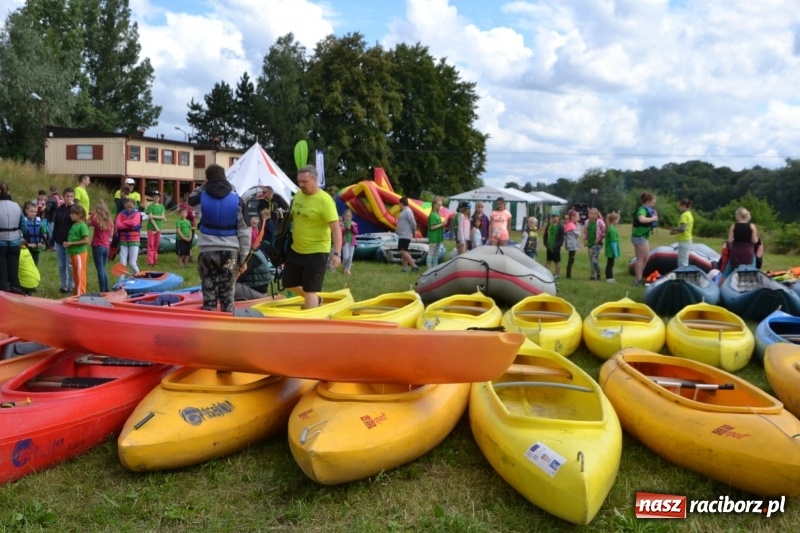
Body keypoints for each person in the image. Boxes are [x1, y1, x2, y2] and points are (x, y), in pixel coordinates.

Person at [189, 164, 251, 312]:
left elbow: (190, 200)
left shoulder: (201, 197)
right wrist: (243, 258)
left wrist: (203, 186)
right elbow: (245, 231)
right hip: (230, 253)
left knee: (209, 292)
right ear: (225, 178)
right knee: (228, 293)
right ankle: (228, 325)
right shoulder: (237, 200)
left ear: (207, 180)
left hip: (207, 251)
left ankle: (209, 325)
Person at [719, 207, 758, 285]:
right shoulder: (752, 226)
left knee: (727, 272)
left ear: (738, 215)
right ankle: (751, 289)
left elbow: (729, 240)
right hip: (748, 252)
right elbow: (754, 241)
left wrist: (731, 246)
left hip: (736, 251)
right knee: (751, 271)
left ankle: (719, 288)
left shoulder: (734, 226)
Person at [0, 182, 25, 293]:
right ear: (8, 191)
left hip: (1, 242)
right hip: (15, 241)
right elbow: (23, 226)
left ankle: (3, 293)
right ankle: (16, 292)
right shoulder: (16, 206)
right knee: (14, 271)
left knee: (2, 272)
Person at [52, 188, 76, 293]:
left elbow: (77, 221)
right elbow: (56, 225)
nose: (69, 198)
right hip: (59, 240)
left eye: (71, 196)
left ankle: (71, 285)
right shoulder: (59, 209)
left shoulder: (75, 209)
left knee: (70, 265)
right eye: (67, 196)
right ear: (63, 197)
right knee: (61, 265)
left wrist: (72, 207)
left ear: (74, 197)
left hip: (70, 242)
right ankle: (63, 285)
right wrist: (52, 239)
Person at [632, 192, 658, 286]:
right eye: (652, 202)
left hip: (644, 237)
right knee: (641, 258)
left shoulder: (648, 210)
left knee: (646, 257)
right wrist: (653, 219)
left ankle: (640, 277)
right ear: (647, 201)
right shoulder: (642, 209)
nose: (653, 204)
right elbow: (641, 219)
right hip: (639, 236)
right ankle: (638, 280)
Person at [64, 204, 90, 296]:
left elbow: (86, 241)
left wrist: (71, 244)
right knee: (75, 275)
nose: (70, 215)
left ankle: (81, 295)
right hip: (73, 253)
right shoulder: (75, 225)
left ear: (79, 215)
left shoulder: (82, 226)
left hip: (79, 254)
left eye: (72, 214)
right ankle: (77, 293)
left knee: (80, 275)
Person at [89, 201, 114, 292]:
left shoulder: (96, 221)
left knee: (100, 270)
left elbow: (86, 222)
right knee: (103, 269)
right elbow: (111, 234)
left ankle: (102, 291)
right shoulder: (109, 222)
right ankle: (106, 289)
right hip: (106, 247)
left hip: (97, 246)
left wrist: (92, 215)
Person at [115, 198, 142, 281]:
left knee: (132, 263)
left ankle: (140, 278)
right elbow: (118, 225)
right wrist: (128, 223)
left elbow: (135, 223)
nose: (129, 209)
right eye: (127, 207)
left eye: (131, 207)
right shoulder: (121, 214)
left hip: (134, 240)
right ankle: (121, 282)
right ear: (125, 206)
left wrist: (124, 222)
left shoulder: (137, 213)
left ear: (134, 206)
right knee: (122, 263)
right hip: (123, 240)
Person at [22, 201, 48, 266]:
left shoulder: (39, 222)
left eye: (35, 212)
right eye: (31, 211)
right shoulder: (23, 222)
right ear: (26, 211)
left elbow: (44, 233)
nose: (33, 213)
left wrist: (41, 242)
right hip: (26, 248)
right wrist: (28, 244)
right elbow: (20, 236)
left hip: (36, 248)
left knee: (35, 265)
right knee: (27, 265)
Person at [584, 207, 606, 281]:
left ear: (597, 215)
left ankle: (598, 273)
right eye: (590, 214)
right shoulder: (587, 222)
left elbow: (604, 232)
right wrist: (585, 240)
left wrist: (599, 239)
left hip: (597, 244)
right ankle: (592, 275)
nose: (591, 215)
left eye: (593, 214)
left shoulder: (599, 222)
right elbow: (585, 232)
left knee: (594, 259)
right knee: (591, 259)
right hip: (590, 243)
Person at [396, 197, 418, 273]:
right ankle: (404, 268)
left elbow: (413, 223)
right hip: (402, 234)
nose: (398, 205)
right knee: (403, 251)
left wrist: (414, 232)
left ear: (401, 203)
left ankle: (414, 265)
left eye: (399, 203)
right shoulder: (404, 212)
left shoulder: (408, 211)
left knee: (402, 251)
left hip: (406, 234)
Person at [671, 199, 694, 267]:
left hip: (684, 240)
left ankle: (683, 276)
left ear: (684, 206)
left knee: (682, 261)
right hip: (687, 239)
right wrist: (676, 232)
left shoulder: (684, 215)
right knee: (684, 259)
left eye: (680, 206)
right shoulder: (690, 214)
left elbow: (682, 229)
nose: (679, 208)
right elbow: (686, 229)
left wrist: (674, 229)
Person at [145, 191, 166, 266]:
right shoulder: (150, 206)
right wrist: (156, 227)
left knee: (156, 245)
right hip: (151, 227)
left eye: (157, 197)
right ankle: (150, 261)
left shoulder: (161, 206)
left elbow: (163, 217)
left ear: (159, 198)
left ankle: (155, 260)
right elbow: (150, 218)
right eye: (154, 197)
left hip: (159, 227)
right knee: (151, 244)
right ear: (152, 198)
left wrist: (154, 216)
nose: (156, 198)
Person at [543, 211, 565, 279]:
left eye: (556, 216)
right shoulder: (549, 226)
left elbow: (561, 239)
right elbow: (545, 236)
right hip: (549, 247)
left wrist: (556, 246)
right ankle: (546, 274)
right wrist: (546, 244)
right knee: (548, 261)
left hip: (556, 248)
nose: (554, 218)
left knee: (557, 262)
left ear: (558, 217)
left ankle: (557, 274)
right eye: (553, 216)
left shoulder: (560, 227)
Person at [426, 196, 445, 269]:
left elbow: (438, 225)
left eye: (440, 205)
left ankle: (435, 268)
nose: (440, 207)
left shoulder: (437, 214)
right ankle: (429, 269)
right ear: (434, 205)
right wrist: (441, 224)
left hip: (438, 236)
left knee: (436, 253)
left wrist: (442, 225)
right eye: (438, 205)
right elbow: (432, 227)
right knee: (431, 253)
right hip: (434, 236)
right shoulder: (432, 215)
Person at [340, 209, 358, 275]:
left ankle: (348, 270)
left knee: (350, 256)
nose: (347, 218)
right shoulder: (341, 224)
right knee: (345, 256)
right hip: (345, 242)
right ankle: (345, 268)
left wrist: (352, 227)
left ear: (351, 217)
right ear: (344, 216)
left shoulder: (354, 224)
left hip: (352, 242)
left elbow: (356, 232)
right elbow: (341, 233)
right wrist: (346, 228)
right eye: (346, 216)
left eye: (349, 216)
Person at [564, 209, 581, 279]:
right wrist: (578, 227)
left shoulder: (570, 224)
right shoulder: (571, 225)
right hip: (571, 245)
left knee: (571, 259)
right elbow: (578, 234)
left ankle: (568, 274)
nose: (578, 218)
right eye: (577, 216)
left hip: (572, 244)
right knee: (571, 259)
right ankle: (568, 275)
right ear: (573, 217)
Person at [604, 212, 620, 283]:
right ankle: (609, 278)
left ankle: (610, 277)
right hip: (611, 250)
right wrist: (616, 253)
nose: (618, 221)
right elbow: (613, 242)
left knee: (610, 264)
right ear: (614, 220)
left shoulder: (610, 228)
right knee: (610, 264)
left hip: (609, 250)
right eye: (617, 219)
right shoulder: (612, 230)